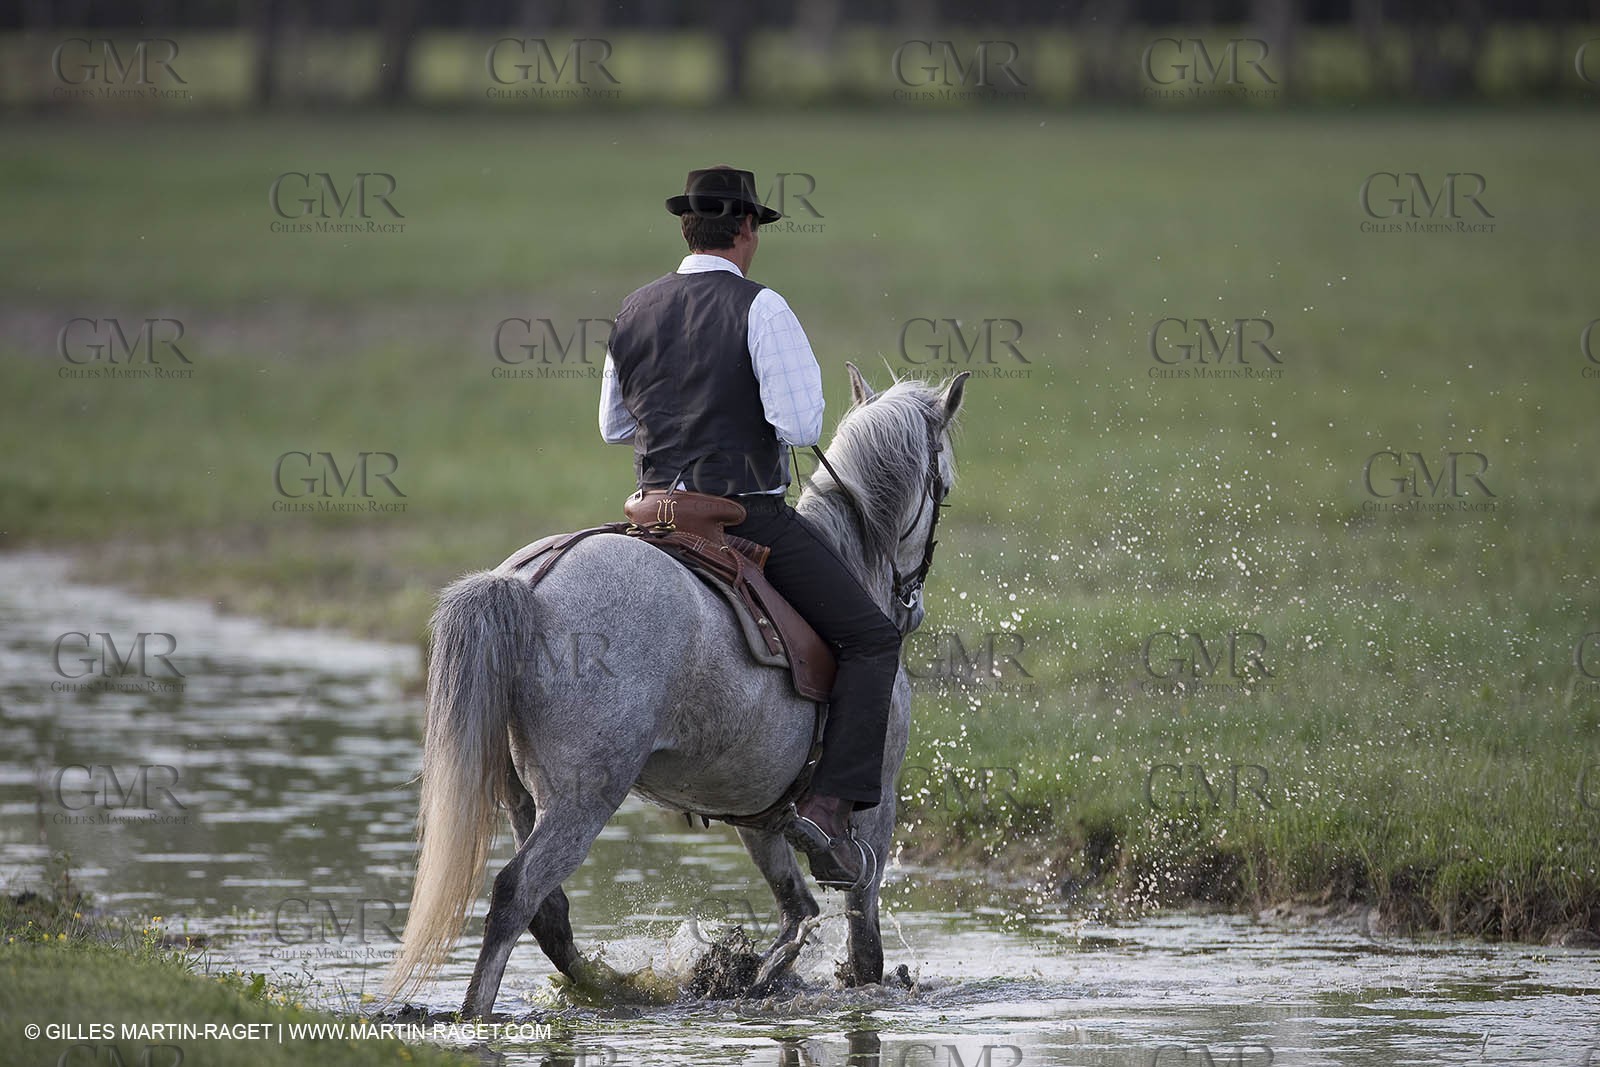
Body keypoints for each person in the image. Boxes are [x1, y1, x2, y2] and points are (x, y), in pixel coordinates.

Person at [598, 165, 901, 891]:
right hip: (742, 515)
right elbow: (800, 425)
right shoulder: (761, 308)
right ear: (746, 230)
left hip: (651, 518)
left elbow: (614, 427)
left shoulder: (634, 308)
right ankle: (827, 810)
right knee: (872, 637)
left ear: (684, 228)